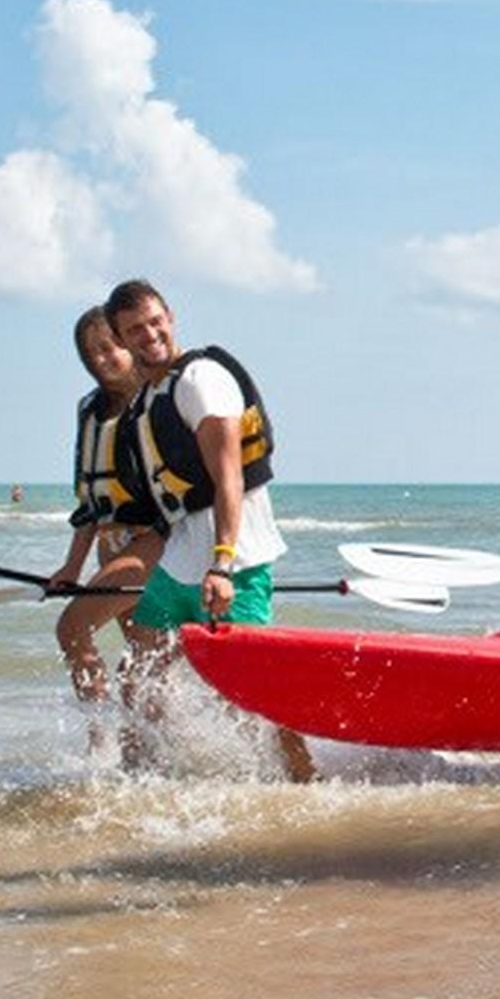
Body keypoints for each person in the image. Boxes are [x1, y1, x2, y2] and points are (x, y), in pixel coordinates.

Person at [104, 278, 317, 784]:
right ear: (120, 337)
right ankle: (145, 784)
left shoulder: (201, 378)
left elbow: (229, 478)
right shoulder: (147, 398)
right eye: (134, 329)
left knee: (253, 690)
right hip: (179, 561)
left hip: (232, 561)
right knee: (138, 678)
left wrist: (222, 562)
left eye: (155, 322)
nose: (149, 334)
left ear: (170, 317)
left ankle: (306, 783)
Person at [46, 306, 163, 705]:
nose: (104, 358)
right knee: (141, 668)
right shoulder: (90, 411)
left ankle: (98, 740)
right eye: (92, 352)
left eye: (112, 346)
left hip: (150, 545)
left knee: (72, 629)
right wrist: (72, 568)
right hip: (109, 547)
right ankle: (139, 762)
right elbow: (90, 503)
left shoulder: (154, 402)